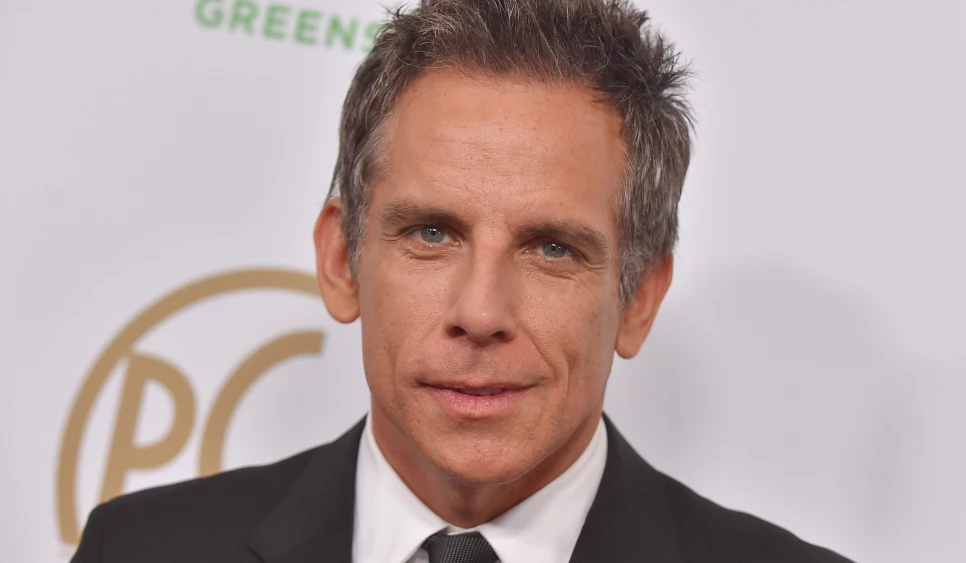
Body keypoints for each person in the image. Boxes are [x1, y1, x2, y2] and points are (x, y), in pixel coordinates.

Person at [71, 0, 852, 561]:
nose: (480, 312)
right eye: (432, 234)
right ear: (342, 259)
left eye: (552, 249)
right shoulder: (139, 548)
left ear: (639, 296)